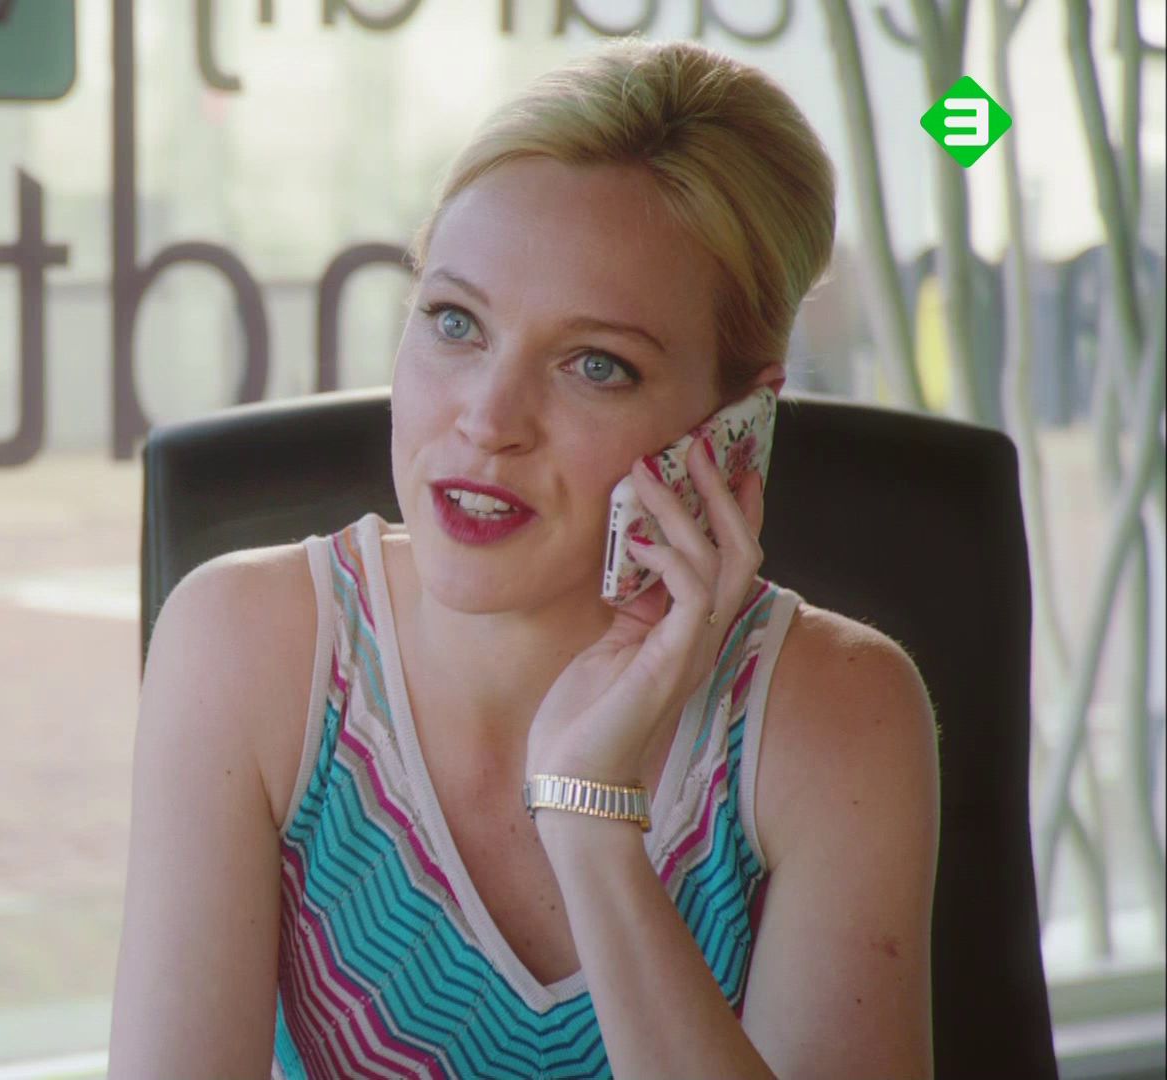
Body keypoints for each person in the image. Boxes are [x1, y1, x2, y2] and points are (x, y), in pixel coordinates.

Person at [109, 38, 939, 1080]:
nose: (488, 419)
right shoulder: (244, 646)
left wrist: (590, 822)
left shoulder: (841, 712)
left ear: (738, 426)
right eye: (455, 321)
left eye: (596, 365)